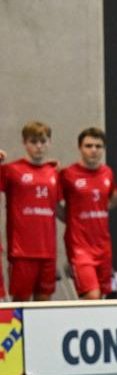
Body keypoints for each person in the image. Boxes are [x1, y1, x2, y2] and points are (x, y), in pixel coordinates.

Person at [1, 121, 61, 301]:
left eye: (43, 141)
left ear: (49, 142)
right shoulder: (11, 170)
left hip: (48, 251)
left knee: (44, 305)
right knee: (20, 306)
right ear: (24, 143)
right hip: (22, 252)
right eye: (33, 141)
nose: (38, 146)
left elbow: (59, 208)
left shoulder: (54, 173)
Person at [57, 127, 117, 299]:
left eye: (98, 146)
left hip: (103, 246)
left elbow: (108, 202)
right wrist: (71, 220)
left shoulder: (107, 173)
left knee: (103, 297)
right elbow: (52, 202)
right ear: (80, 148)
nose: (93, 150)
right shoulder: (68, 174)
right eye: (89, 146)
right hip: (79, 247)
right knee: (92, 295)